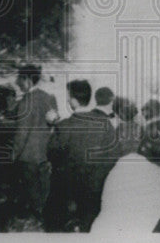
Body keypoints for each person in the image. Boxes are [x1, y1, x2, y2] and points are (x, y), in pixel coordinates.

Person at [43, 80, 117, 232]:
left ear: (73, 101)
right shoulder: (106, 124)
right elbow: (112, 158)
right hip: (96, 192)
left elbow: (52, 154)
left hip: (67, 193)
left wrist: (52, 127)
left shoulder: (64, 126)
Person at [9, 64, 59, 221]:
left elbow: (21, 134)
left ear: (28, 80)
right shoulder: (48, 98)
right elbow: (54, 123)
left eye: (20, 79)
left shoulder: (26, 102)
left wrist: (13, 154)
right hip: (44, 155)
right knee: (43, 194)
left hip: (27, 157)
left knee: (30, 197)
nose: (17, 82)